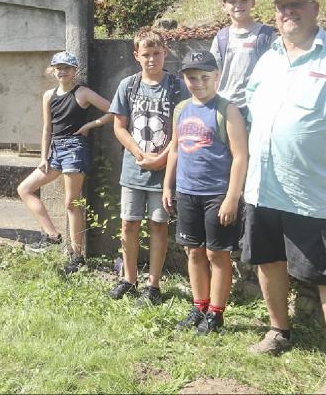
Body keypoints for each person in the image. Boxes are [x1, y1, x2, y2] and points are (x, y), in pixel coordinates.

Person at [242, 0, 326, 356]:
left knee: (323, 274)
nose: (287, 13)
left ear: (315, 9)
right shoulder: (268, 58)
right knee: (268, 259)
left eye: (296, 6)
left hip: (312, 189)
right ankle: (279, 331)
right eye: (281, 7)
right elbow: (247, 109)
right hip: (263, 186)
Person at [163, 51, 248, 334]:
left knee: (217, 255)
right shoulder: (181, 109)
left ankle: (216, 313)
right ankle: (199, 306)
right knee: (194, 252)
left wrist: (232, 198)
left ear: (216, 76)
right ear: (184, 78)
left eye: (204, 77)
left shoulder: (227, 110)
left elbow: (240, 156)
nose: (197, 82)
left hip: (217, 196)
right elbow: (175, 148)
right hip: (187, 193)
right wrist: (168, 184)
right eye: (191, 77)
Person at [109, 29, 188, 306]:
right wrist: (137, 152)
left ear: (165, 53)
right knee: (129, 224)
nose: (151, 59)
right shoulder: (128, 86)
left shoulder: (177, 87)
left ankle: (153, 284)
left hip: (164, 171)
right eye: (146, 54)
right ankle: (128, 279)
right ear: (136, 56)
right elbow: (119, 126)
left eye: (156, 53)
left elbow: (182, 130)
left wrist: (162, 158)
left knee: (158, 225)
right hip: (133, 170)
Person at [16, 52, 113, 275]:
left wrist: (90, 126)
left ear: (74, 70)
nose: (62, 71)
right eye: (58, 68)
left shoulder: (83, 92)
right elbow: (47, 128)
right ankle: (52, 236)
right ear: (53, 70)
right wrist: (43, 157)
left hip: (75, 149)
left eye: (67, 68)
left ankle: (77, 256)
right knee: (25, 189)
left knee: (71, 204)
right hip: (55, 151)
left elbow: (114, 110)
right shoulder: (48, 95)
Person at [209, 0, 276, 121]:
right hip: (224, 107)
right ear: (224, 7)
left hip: (257, 109)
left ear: (253, 2)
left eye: (244, 0)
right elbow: (214, 75)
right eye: (232, 2)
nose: (238, 6)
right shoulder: (221, 37)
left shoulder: (267, 35)